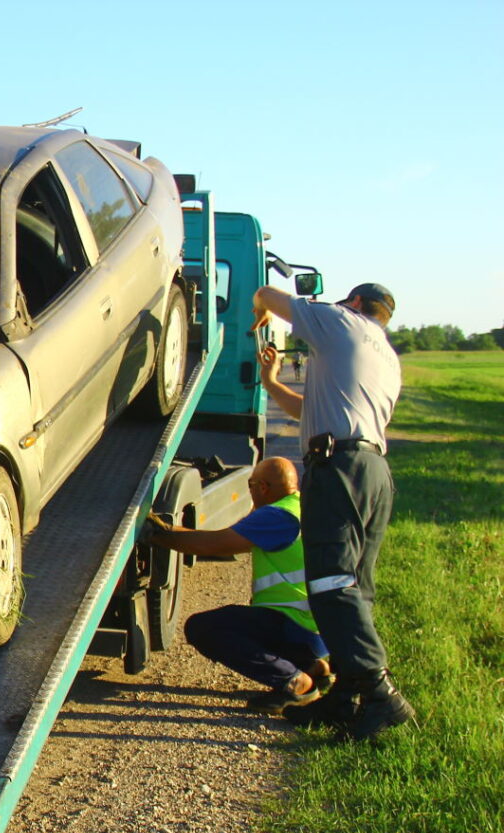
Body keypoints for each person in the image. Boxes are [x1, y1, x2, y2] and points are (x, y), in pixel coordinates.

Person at [251, 281, 415, 740]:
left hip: (338, 470)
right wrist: (272, 383)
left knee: (331, 582)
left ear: (356, 303)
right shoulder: (385, 357)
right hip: (371, 470)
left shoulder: (344, 322)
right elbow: (312, 411)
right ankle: (347, 697)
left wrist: (262, 310)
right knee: (355, 586)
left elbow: (267, 293)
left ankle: (380, 695)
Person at [144, 457, 332, 712]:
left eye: (250, 485)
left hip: (295, 625)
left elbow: (214, 544)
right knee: (252, 621)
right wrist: (169, 529)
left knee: (204, 628)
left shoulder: (275, 516)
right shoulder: (298, 507)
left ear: (263, 487)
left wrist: (156, 534)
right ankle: (311, 665)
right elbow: (222, 539)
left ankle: (294, 682)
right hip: (318, 627)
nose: (250, 491)